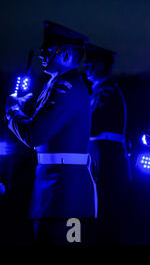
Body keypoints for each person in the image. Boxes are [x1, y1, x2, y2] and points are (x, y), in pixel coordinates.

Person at [5, 21, 96, 244]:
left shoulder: (66, 88)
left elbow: (34, 135)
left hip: (64, 195)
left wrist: (12, 112)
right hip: (56, 192)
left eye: (47, 50)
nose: (41, 54)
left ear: (65, 55)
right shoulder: (58, 84)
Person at [83, 43, 131, 243]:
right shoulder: (101, 91)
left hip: (108, 158)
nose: (86, 68)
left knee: (106, 210)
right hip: (104, 155)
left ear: (102, 65)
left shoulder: (107, 92)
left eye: (90, 64)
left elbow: (93, 124)